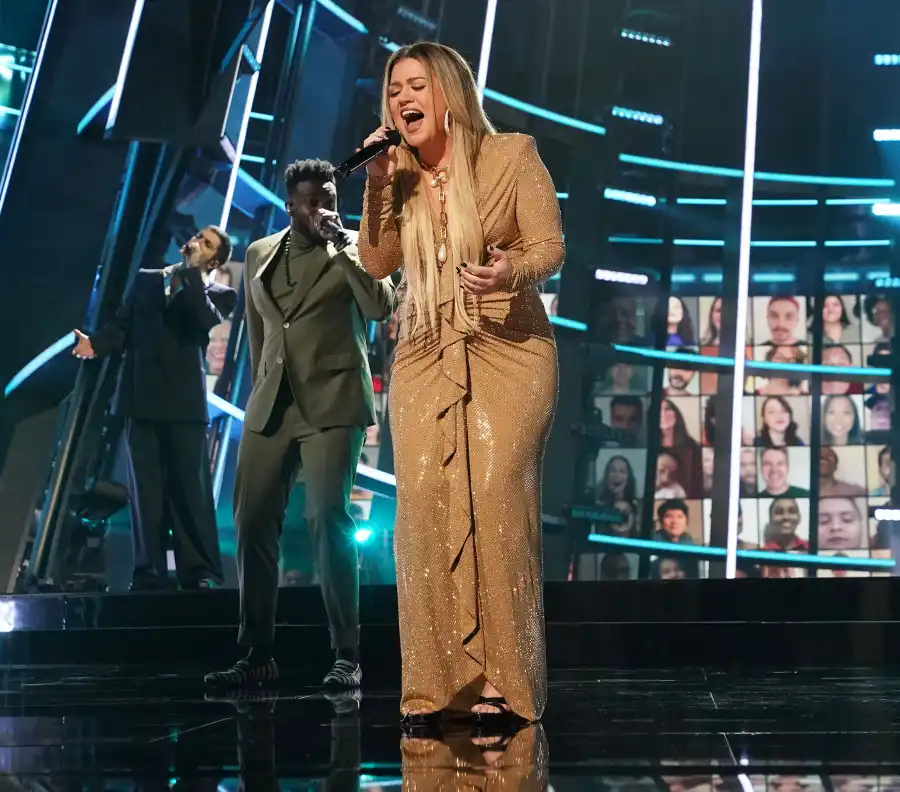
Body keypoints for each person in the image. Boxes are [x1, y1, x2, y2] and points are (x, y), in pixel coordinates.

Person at [356, 41, 564, 723]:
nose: (402, 100)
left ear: (447, 92)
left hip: (510, 347)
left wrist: (509, 272)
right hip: (424, 351)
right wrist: (378, 180)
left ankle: (505, 678)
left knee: (495, 497)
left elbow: (551, 246)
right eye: (393, 91)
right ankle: (441, 685)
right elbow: (380, 260)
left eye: (415, 86)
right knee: (423, 506)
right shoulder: (401, 176)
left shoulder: (512, 155)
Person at [204, 159, 394, 689]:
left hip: (334, 404)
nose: (323, 208)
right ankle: (257, 652)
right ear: (291, 204)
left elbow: (381, 307)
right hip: (273, 406)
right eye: (312, 200)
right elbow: (262, 335)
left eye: (329, 197)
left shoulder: (360, 247)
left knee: (326, 517)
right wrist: (262, 389)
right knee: (252, 520)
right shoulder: (261, 252)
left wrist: (342, 247)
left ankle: (347, 653)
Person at [71, 226, 236, 590]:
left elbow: (202, 319)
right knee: (145, 494)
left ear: (215, 259)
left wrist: (191, 273)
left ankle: (200, 571)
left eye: (207, 243)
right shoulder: (147, 281)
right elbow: (123, 327)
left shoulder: (220, 294)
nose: (197, 241)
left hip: (184, 405)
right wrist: (94, 344)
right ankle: (148, 575)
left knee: (189, 492)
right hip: (140, 400)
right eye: (198, 236)